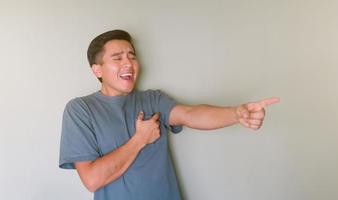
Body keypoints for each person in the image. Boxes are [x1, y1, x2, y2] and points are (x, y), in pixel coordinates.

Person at [59, 29, 279, 200]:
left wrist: (236, 114)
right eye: (117, 58)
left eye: (132, 56)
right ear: (97, 70)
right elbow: (92, 180)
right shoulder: (81, 110)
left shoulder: (152, 99)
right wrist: (140, 140)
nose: (129, 63)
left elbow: (191, 114)